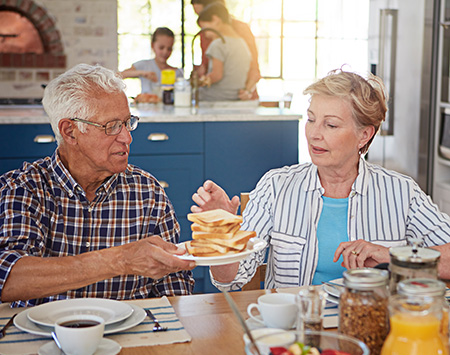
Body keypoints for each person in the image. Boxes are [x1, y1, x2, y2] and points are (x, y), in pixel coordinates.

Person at [191, 68, 450, 291]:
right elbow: (232, 280)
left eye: (331, 125)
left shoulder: (401, 192)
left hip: (372, 327)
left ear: (364, 135)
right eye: (311, 119)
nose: (314, 134)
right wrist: (220, 233)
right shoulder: (276, 186)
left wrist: (392, 256)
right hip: (294, 335)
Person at [0, 63, 196, 307]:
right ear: (70, 132)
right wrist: (120, 260)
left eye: (128, 122)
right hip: (45, 338)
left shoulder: (148, 193)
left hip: (133, 336)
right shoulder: (24, 189)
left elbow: (175, 285)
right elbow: (7, 278)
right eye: (112, 126)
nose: (127, 137)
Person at [191, 0, 260, 100]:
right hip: (224, 96)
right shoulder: (207, 35)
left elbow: (254, 70)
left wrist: (247, 91)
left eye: (203, 14)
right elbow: (206, 66)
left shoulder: (240, 30)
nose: (203, 31)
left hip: (241, 96)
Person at [120, 27, 183, 95]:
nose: (165, 52)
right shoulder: (144, 65)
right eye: (161, 47)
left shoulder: (177, 73)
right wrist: (142, 73)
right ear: (152, 46)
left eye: (169, 49)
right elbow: (119, 76)